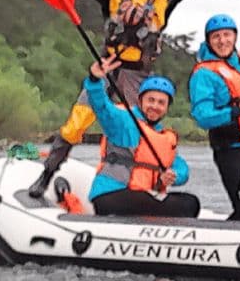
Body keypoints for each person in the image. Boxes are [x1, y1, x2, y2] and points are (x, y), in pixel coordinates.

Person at [29, 0, 214, 197]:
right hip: (106, 68)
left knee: (136, 130)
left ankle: (141, 185)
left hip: (139, 76)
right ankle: (46, 175)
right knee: (76, 123)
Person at [85, 54, 200, 217]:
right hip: (111, 195)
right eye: (150, 100)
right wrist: (95, 81)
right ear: (141, 101)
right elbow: (101, 106)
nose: (155, 106)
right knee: (147, 199)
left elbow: (181, 168)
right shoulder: (123, 120)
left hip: (142, 196)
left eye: (161, 103)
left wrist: (174, 176)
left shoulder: (165, 137)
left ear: (166, 108)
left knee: (191, 203)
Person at [188, 14, 240, 220]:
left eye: (227, 35)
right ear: (208, 40)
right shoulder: (204, 74)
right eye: (216, 36)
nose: (222, 41)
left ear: (235, 37)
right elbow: (203, 117)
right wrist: (237, 111)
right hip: (232, 148)